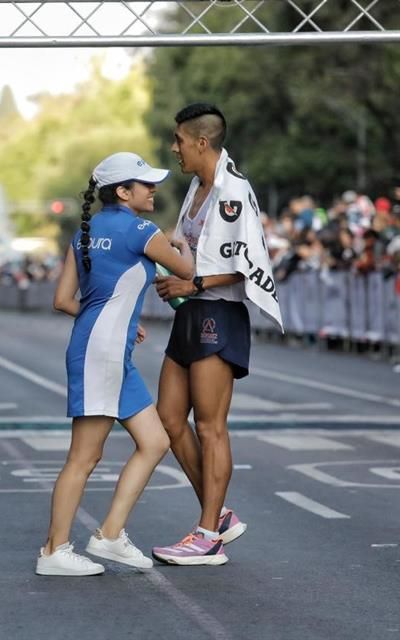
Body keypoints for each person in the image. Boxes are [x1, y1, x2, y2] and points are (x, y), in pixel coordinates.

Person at [35, 153, 194, 576]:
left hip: (102, 347)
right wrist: (181, 244)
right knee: (83, 458)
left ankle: (108, 535)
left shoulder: (84, 233)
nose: (153, 189)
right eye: (145, 184)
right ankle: (54, 550)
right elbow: (188, 272)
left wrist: (121, 320)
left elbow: (63, 301)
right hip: (102, 353)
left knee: (156, 442)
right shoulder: (143, 230)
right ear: (123, 192)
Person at [152, 103, 282, 566]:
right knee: (168, 418)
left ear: (201, 142)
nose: (175, 149)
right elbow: (183, 242)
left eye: (180, 142)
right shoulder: (195, 187)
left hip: (218, 316)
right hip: (188, 315)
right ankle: (219, 513)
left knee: (210, 427)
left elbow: (249, 263)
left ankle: (207, 536)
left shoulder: (234, 189)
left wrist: (195, 282)